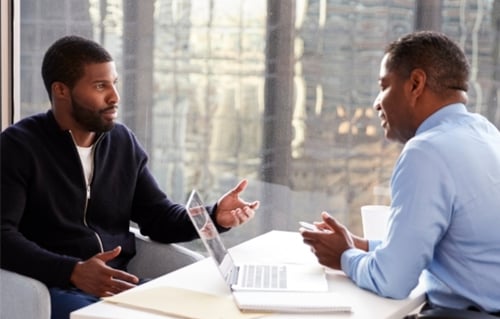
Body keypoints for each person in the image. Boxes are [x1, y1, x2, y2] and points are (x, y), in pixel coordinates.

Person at [0, 35, 260, 319]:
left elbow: (158, 218)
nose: (114, 97)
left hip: (117, 285)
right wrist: (72, 271)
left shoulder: (122, 142)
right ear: (61, 90)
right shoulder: (19, 147)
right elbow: (2, 236)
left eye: (114, 83)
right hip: (49, 290)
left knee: (211, 309)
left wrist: (214, 216)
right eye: (100, 86)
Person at [301, 31, 500, 317]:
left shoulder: (426, 152)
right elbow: (448, 244)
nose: (377, 102)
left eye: (384, 86)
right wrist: (362, 246)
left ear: (416, 84)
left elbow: (392, 281)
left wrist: (343, 257)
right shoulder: (485, 132)